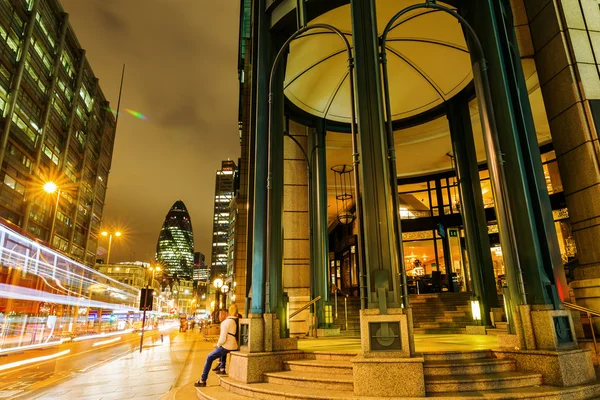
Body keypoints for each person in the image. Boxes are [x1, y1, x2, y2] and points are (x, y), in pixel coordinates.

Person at [194, 304, 239, 387]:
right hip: (235, 345)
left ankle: (202, 380)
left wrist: (217, 345)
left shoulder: (226, 322)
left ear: (229, 312)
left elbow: (222, 339)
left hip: (228, 346)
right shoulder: (238, 320)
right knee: (222, 350)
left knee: (209, 357)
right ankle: (222, 368)